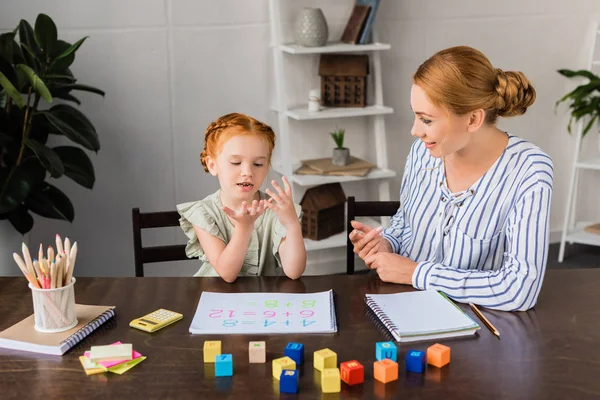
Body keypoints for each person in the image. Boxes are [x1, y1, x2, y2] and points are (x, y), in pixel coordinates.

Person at [350, 46, 553, 311]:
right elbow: (406, 223)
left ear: (473, 119)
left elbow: (519, 290)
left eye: (426, 120)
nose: (414, 131)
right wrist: (386, 243)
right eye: (416, 116)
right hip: (401, 307)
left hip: (478, 326)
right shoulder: (423, 152)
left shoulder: (529, 172)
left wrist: (416, 273)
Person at [177, 113, 306, 282]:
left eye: (258, 164)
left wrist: (291, 223)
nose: (247, 172)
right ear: (212, 165)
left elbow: (294, 271)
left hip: (265, 302)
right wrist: (244, 228)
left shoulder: (277, 210)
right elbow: (227, 274)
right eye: (236, 163)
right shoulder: (203, 213)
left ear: (266, 167)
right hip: (218, 300)